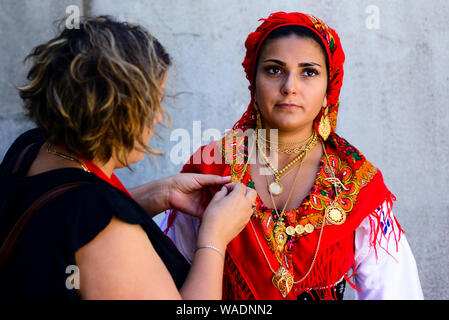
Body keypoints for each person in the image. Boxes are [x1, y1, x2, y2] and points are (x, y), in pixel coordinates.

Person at [161, 12, 424, 300]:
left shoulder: (357, 183)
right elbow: (169, 281)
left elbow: (395, 291)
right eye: (274, 70)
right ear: (254, 82)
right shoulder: (212, 167)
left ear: (329, 90)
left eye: (308, 72)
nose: (289, 86)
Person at [0, 16, 256, 300]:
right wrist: (213, 239)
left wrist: (160, 193)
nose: (159, 117)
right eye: (155, 104)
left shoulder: (31, 148)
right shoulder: (107, 234)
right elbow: (90, 223)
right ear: (121, 113)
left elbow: (64, 218)